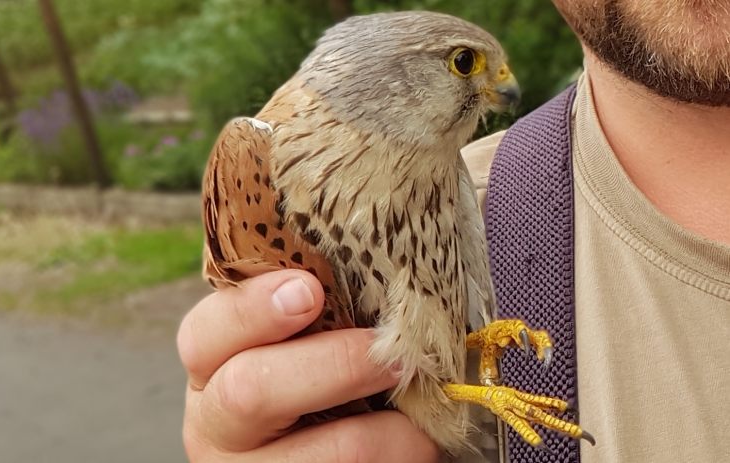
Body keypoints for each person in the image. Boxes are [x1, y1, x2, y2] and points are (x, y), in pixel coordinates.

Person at [176, 1, 730, 461]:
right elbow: (387, 357)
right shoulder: (269, 158)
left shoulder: (455, 176)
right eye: (466, 64)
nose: (502, 85)